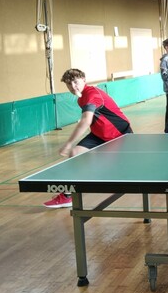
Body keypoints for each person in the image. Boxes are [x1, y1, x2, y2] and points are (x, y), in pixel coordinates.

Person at [43, 68, 133, 208]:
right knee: (75, 154)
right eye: (69, 84)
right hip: (99, 134)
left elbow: (86, 121)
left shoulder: (92, 94)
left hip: (120, 135)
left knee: (114, 169)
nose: (73, 86)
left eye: (75, 82)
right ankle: (67, 196)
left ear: (84, 80)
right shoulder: (81, 98)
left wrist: (68, 143)